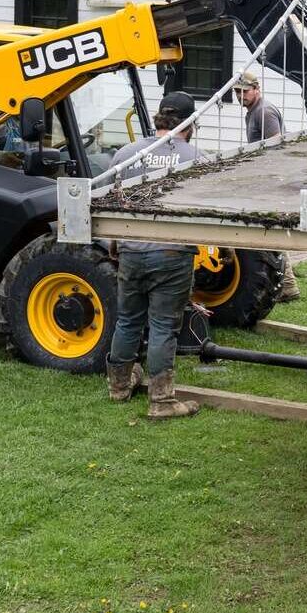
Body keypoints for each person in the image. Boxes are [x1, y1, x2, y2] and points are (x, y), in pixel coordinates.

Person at [102, 91, 202, 420]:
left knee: (128, 320)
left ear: (160, 118)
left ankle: (118, 386)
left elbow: (111, 201)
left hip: (131, 250)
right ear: (190, 123)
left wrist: (115, 242)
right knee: (162, 326)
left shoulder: (126, 154)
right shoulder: (197, 158)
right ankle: (161, 400)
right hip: (172, 253)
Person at [234, 72, 301, 303]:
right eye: (237, 92)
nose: (240, 96)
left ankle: (288, 286)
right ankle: (287, 285)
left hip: (273, 181)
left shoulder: (264, 112)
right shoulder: (254, 110)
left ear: (256, 89)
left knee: (270, 230)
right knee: (270, 231)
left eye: (244, 91)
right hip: (264, 179)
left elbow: (277, 147)